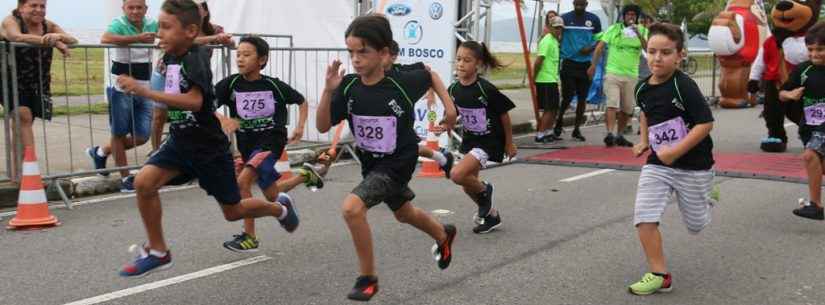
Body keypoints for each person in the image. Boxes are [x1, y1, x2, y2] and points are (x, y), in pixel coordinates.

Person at [116, 0, 299, 277]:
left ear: (190, 31)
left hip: (208, 149)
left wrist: (145, 92)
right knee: (144, 183)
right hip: (180, 142)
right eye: (159, 27)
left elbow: (194, 101)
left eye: (166, 27)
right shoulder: (170, 56)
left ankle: (278, 209)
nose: (159, 33)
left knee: (234, 211)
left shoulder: (195, 56)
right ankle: (158, 251)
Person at [316, 15, 456, 301]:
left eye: (363, 51)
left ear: (383, 53)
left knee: (352, 208)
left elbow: (430, 75)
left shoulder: (402, 82)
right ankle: (442, 235)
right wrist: (328, 91)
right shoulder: (349, 86)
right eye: (351, 52)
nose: (355, 59)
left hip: (398, 162)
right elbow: (322, 125)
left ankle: (368, 278)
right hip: (371, 164)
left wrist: (450, 108)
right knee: (403, 212)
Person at [215, 36, 326, 252]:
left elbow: (301, 100)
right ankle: (305, 175)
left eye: (247, 55)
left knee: (243, 182)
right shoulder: (230, 85)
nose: (240, 59)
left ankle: (249, 237)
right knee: (271, 194)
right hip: (248, 144)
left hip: (271, 141)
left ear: (262, 60)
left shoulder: (273, 85)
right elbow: (204, 104)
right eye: (238, 54)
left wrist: (300, 127)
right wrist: (224, 119)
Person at [630, 22, 715, 295]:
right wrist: (644, 140)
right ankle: (659, 273)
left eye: (665, 52)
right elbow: (646, 112)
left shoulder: (684, 86)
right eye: (652, 51)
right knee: (644, 215)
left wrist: (676, 151)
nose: (657, 58)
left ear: (680, 55)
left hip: (694, 166)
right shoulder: (642, 88)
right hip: (658, 164)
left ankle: (706, 196)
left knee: (696, 225)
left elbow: (705, 123)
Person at [87, 0, 157, 191]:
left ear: (146, 9)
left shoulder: (152, 23)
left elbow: (169, 36)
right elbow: (105, 38)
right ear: (124, 9)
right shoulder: (118, 23)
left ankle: (100, 152)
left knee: (142, 135)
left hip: (144, 85)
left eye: (139, 7)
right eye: (131, 7)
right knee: (118, 133)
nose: (135, 11)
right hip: (120, 85)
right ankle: (126, 177)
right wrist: (138, 38)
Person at [448, 41, 516, 234]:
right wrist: (446, 123)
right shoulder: (454, 89)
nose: (461, 64)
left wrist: (509, 143)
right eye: (459, 59)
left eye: (467, 60)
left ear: (477, 64)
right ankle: (491, 216)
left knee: (457, 175)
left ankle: (486, 189)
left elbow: (504, 115)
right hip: (470, 141)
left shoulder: (486, 89)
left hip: (488, 141)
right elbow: (454, 112)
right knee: (468, 185)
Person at [150, 0, 232, 153]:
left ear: (205, 11)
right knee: (161, 114)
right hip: (164, 71)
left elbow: (230, 43)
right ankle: (157, 151)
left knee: (196, 110)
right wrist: (213, 39)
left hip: (194, 73)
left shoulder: (212, 31)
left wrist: (227, 40)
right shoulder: (174, 51)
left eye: (198, 7)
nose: (161, 33)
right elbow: (187, 40)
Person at [1, 0, 76, 166]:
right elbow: (16, 37)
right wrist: (53, 42)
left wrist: (59, 36)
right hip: (10, 79)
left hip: (37, 81)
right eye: (33, 5)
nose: (39, 10)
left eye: (42, 6)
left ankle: (18, 171)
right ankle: (30, 171)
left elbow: (73, 40)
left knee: (22, 125)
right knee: (23, 116)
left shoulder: (47, 25)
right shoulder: (11, 21)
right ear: (21, 7)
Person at [385, 40, 458, 178]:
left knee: (406, 146)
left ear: (393, 57)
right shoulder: (369, 74)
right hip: (385, 123)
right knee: (407, 147)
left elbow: (428, 71)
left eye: (383, 54)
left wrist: (430, 92)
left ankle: (441, 156)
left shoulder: (402, 70)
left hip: (406, 116)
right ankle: (442, 157)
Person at [780, 22, 825, 220]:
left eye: (821, 49)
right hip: (809, 126)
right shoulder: (803, 70)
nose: (814, 54)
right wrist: (790, 95)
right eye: (810, 49)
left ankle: (815, 206)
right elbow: (781, 93)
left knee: (809, 156)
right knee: (818, 165)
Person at [590, 4, 648, 147]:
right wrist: (593, 65)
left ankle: (620, 134)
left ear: (637, 17)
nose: (630, 17)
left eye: (633, 15)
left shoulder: (643, 30)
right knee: (612, 104)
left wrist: (639, 34)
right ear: (623, 16)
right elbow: (599, 47)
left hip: (631, 74)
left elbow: (648, 48)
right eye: (628, 14)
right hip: (613, 73)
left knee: (627, 109)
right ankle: (610, 133)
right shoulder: (614, 29)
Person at [556, 0, 600, 141]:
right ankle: (559, 120)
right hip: (568, 63)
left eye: (582, 5)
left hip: (585, 65)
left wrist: (591, 47)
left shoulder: (594, 19)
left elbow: (600, 40)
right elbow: (556, 34)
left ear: (586, 4)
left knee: (583, 98)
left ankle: (576, 129)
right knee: (567, 96)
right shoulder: (565, 18)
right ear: (573, 3)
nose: (579, 7)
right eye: (576, 4)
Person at [534, 15, 564, 143]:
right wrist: (533, 77)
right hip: (545, 80)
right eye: (556, 28)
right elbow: (539, 60)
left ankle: (548, 131)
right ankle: (540, 134)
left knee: (554, 108)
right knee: (548, 109)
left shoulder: (555, 41)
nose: (558, 30)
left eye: (560, 28)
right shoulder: (547, 40)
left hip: (552, 79)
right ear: (550, 28)